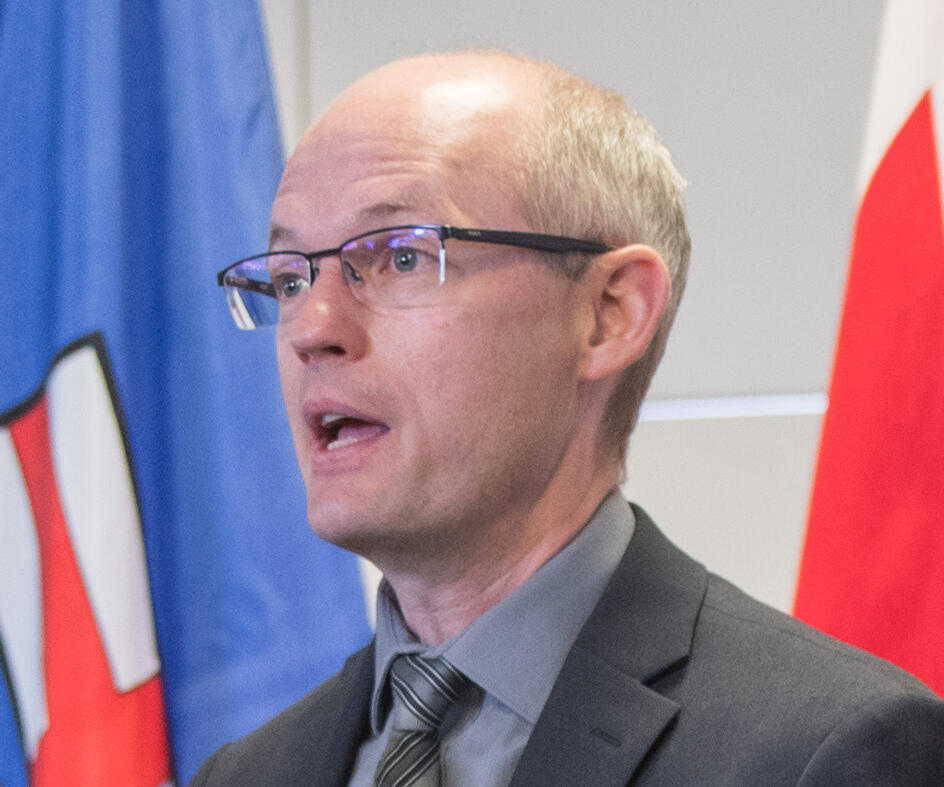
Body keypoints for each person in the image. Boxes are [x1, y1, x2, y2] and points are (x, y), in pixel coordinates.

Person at [195, 50, 944, 785]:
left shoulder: (828, 752)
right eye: (291, 277)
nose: (311, 327)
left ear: (609, 314)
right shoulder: (246, 772)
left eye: (402, 256)